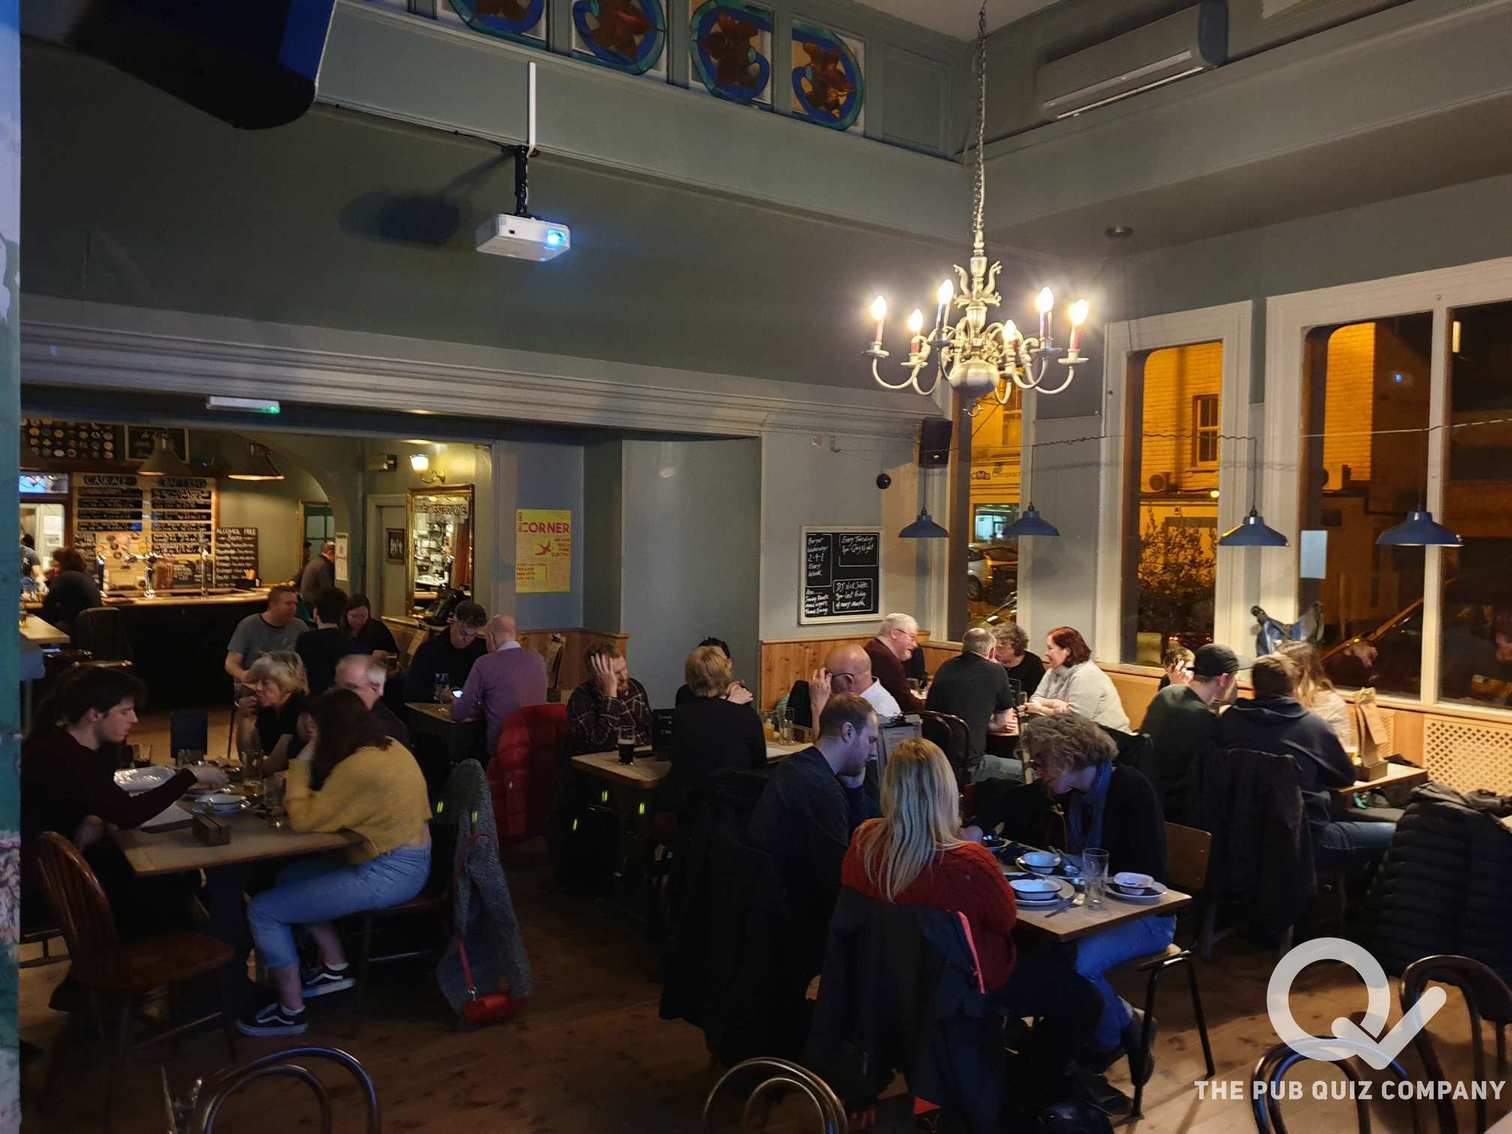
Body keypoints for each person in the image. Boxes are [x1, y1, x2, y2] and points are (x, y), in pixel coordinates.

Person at [841, 738, 1101, 1104]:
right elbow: (1005, 919)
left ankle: (999, 1067)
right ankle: (1024, 1093)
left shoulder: (864, 842)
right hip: (965, 987)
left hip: (888, 979)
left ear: (889, 788)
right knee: (1083, 999)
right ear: (947, 793)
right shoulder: (968, 862)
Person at [240, 689, 431, 1036]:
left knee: (263, 910)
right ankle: (334, 966)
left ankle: (291, 1010)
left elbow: (303, 819)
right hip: (410, 858)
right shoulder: (388, 746)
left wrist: (304, 758)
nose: (312, 735)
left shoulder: (359, 767)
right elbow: (343, 807)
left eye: (316, 728)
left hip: (390, 872)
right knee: (290, 878)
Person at [1019, 713, 1171, 1086]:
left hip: (1147, 917)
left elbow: (1146, 874)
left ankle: (1113, 1036)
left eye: (1042, 761)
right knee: (1038, 950)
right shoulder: (1076, 796)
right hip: (1096, 911)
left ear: (1068, 757)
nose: (1037, 769)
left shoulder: (1130, 788)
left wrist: (1084, 877)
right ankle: (1113, 1023)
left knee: (1077, 966)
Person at [20, 668, 227, 938]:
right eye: (125, 712)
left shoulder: (72, 744)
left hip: (65, 863)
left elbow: (102, 799)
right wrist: (189, 776)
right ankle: (152, 956)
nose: (135, 719)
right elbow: (128, 814)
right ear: (94, 714)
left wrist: (95, 816)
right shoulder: (62, 756)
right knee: (170, 885)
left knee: (181, 878)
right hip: (48, 881)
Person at [747, 694, 880, 1008]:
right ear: (848, 732)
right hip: (796, 925)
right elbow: (840, 878)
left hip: (765, 912)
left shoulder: (795, 766)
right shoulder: (822, 790)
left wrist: (855, 788)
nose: (874, 751)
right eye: (871, 740)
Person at [1217, 654, 1392, 870]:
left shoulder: (1230, 720)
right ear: (1294, 687)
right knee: (1398, 833)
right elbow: (1345, 778)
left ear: (1254, 688)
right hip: (1307, 839)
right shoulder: (1312, 726)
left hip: (1241, 836)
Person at [1139, 643, 1239, 824]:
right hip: (1177, 818)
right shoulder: (1206, 721)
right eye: (1234, 678)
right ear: (1224, 680)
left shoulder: (1165, 694)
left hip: (1144, 803)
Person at [661, 645, 766, 816]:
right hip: (738, 811)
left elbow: (676, 759)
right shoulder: (747, 715)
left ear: (689, 678)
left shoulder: (681, 716)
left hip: (693, 812)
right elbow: (759, 764)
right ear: (725, 676)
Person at [924, 627, 1015, 782]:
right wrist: (981, 724)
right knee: (1026, 771)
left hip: (934, 760)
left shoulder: (946, 666)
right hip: (968, 765)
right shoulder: (995, 670)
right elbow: (1003, 722)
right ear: (992, 652)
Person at [454, 614, 548, 756]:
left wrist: (455, 699)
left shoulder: (484, 663)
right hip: (537, 750)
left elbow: (460, 712)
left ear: (491, 637)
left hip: (502, 751)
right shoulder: (538, 659)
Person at [1024, 626, 1131, 732]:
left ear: (1067, 651)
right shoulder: (1052, 671)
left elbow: (1076, 720)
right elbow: (1034, 699)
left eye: (1050, 648)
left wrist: (1040, 709)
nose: (1046, 653)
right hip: (1065, 732)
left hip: (1106, 736)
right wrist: (1055, 703)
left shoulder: (1086, 674)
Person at [566, 645, 651, 755]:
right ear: (598, 677)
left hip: (639, 756)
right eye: (616, 673)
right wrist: (610, 695)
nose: (624, 677)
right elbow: (600, 745)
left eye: (624, 668)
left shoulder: (635, 686)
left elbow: (649, 732)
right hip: (601, 760)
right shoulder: (581, 698)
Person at [801, 642, 902, 732]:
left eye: (830, 677)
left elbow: (825, 745)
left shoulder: (883, 711)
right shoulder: (850, 700)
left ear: (848, 680)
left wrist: (817, 705)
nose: (827, 684)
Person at [1276, 640, 1357, 750]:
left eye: (1278, 667)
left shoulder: (1331, 703)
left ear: (1301, 670)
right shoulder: (1273, 697)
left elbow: (1340, 751)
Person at [236, 651, 310, 772]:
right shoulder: (268, 708)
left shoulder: (298, 709)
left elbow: (272, 766)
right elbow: (249, 758)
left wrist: (253, 767)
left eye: (265, 683)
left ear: (286, 684)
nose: (258, 688)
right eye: (256, 681)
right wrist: (244, 718)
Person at [403, 600, 488, 702]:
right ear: (452, 622)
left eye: (474, 635)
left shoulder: (481, 649)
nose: (468, 639)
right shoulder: (430, 650)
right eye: (463, 633)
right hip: (434, 707)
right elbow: (413, 690)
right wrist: (437, 695)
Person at [225, 586, 308, 684]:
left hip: (288, 683)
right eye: (288, 604)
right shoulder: (249, 625)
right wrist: (243, 675)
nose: (293, 608)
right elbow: (231, 663)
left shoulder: (299, 626)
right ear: (273, 605)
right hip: (256, 682)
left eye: (295, 604)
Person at [335, 653, 412, 748]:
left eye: (353, 687)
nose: (343, 693)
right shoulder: (328, 715)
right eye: (338, 686)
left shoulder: (391, 731)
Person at [295, 587, 361, 696]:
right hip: (339, 698)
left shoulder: (305, 639)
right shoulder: (348, 640)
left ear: (316, 612)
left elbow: (300, 673)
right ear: (342, 614)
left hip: (311, 698)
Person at [865, 613, 926, 715]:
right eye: (912, 637)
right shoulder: (886, 660)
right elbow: (907, 704)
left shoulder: (873, 647)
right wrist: (930, 704)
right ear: (895, 634)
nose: (915, 645)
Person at [673, 637, 754, 707]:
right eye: (706, 660)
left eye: (716, 660)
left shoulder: (738, 691)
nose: (711, 665)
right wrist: (731, 702)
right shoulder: (685, 693)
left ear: (729, 664)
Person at [39, 547, 101, 633]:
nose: (53, 569)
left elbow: (48, 605)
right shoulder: (87, 576)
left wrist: (47, 578)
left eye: (56, 565)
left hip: (77, 628)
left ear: (64, 564)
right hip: (94, 627)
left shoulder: (65, 577)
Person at [992, 622, 1044, 702]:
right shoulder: (992, 662)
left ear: (1016, 646)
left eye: (1000, 648)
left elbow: (1037, 695)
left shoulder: (1033, 663)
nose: (995, 653)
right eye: (994, 648)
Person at [341, 593, 398, 660]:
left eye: (363, 616)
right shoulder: (338, 629)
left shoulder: (378, 628)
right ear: (346, 614)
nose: (359, 621)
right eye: (354, 616)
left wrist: (385, 654)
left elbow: (395, 654)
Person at [298, 540, 336, 605]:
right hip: (315, 602)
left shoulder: (314, 561)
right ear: (330, 553)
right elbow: (327, 588)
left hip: (306, 600)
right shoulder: (324, 565)